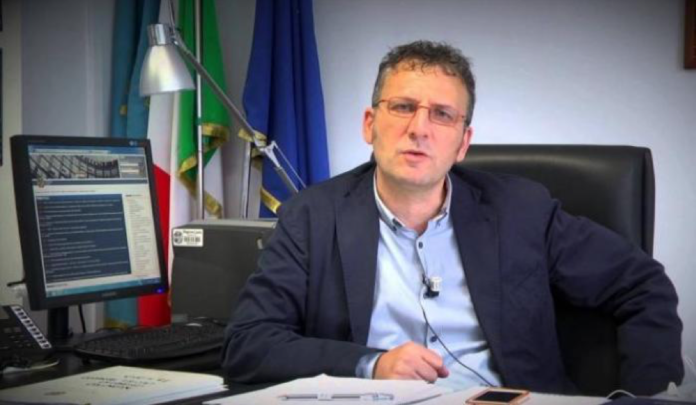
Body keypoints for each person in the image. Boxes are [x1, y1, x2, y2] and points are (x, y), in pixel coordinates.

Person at [222, 40, 683, 395]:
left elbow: (640, 284)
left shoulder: (521, 210)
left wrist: (644, 399)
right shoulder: (312, 216)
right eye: (403, 107)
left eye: (442, 115)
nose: (418, 128)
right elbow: (249, 343)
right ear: (370, 124)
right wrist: (371, 364)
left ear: (463, 143)